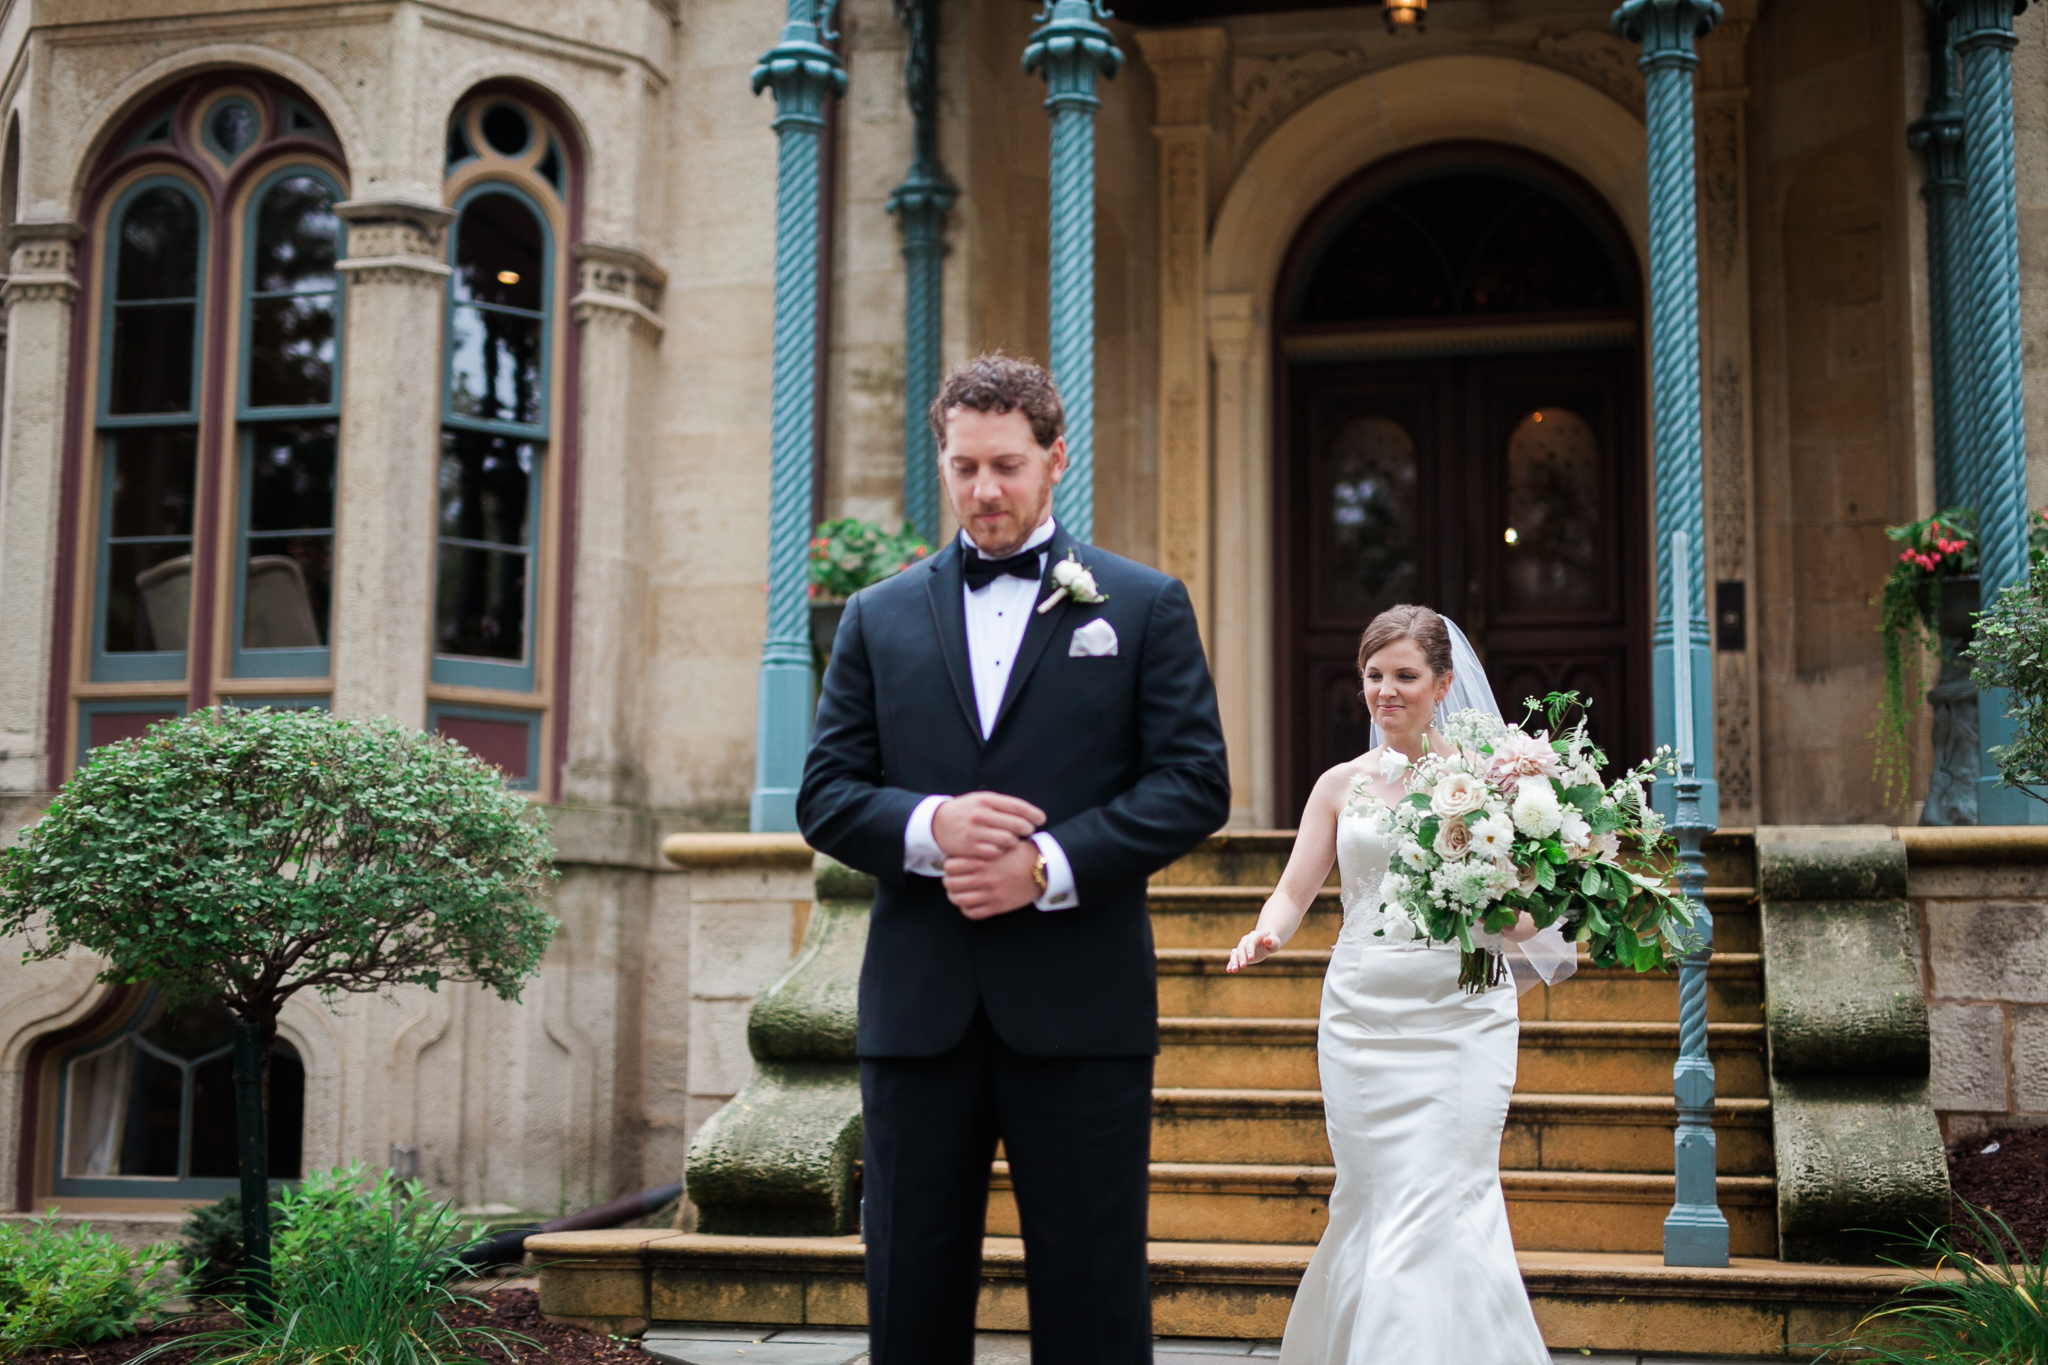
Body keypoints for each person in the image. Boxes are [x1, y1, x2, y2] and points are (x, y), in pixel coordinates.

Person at [799, 353, 1232, 1365]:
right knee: (908, 1292)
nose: (983, 490)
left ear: (1053, 460)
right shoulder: (875, 617)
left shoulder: (1141, 604)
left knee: (1090, 1291)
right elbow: (825, 794)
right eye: (963, 468)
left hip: (1080, 1010)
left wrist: (1047, 866)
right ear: (941, 465)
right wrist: (932, 827)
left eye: (1004, 465)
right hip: (918, 1015)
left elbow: (1191, 783)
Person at [1227, 603, 1551, 1364]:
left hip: (1464, 1013)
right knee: (1373, 1196)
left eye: (1404, 675)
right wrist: (1266, 931)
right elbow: (1295, 890)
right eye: (1374, 675)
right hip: (1363, 1019)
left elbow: (1529, 919)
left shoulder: (1494, 785)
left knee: (1448, 1194)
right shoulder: (1339, 785)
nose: (1386, 690)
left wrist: (1508, 905)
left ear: (1442, 683)